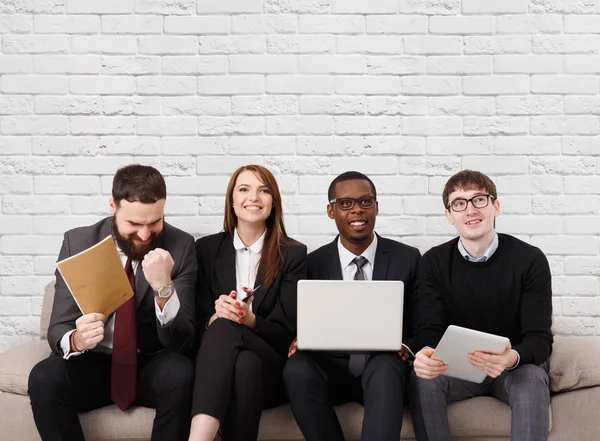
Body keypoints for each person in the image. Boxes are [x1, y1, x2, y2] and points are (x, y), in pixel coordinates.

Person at [28, 164, 198, 441]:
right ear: (113, 206)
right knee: (44, 377)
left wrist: (164, 288)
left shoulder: (181, 246)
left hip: (149, 364)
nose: (145, 235)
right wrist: (77, 340)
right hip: (90, 364)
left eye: (154, 223)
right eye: (134, 224)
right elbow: (58, 326)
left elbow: (183, 342)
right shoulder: (78, 241)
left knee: (181, 372)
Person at [410, 169, 553, 441]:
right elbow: (427, 329)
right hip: (456, 369)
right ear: (449, 215)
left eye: (479, 200)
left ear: (495, 206)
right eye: (459, 203)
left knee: (532, 378)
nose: (470, 210)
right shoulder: (433, 262)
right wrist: (424, 354)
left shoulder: (530, 259)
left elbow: (539, 337)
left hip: (513, 368)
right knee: (422, 379)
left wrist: (510, 358)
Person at [283, 171, 420, 441]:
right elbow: (295, 318)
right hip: (331, 367)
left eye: (366, 202)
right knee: (296, 368)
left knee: (385, 367)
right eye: (345, 203)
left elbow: (423, 322)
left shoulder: (408, 258)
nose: (357, 209)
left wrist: (407, 346)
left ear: (377, 207)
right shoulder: (311, 263)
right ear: (330, 211)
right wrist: (299, 338)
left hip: (384, 369)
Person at [189, 165, 307, 441]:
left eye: (263, 191)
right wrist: (213, 317)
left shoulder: (293, 254)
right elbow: (191, 325)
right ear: (232, 200)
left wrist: (248, 319)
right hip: (223, 365)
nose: (253, 197)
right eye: (244, 189)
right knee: (243, 363)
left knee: (226, 327)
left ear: (273, 202)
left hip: (272, 367)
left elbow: (286, 333)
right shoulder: (205, 249)